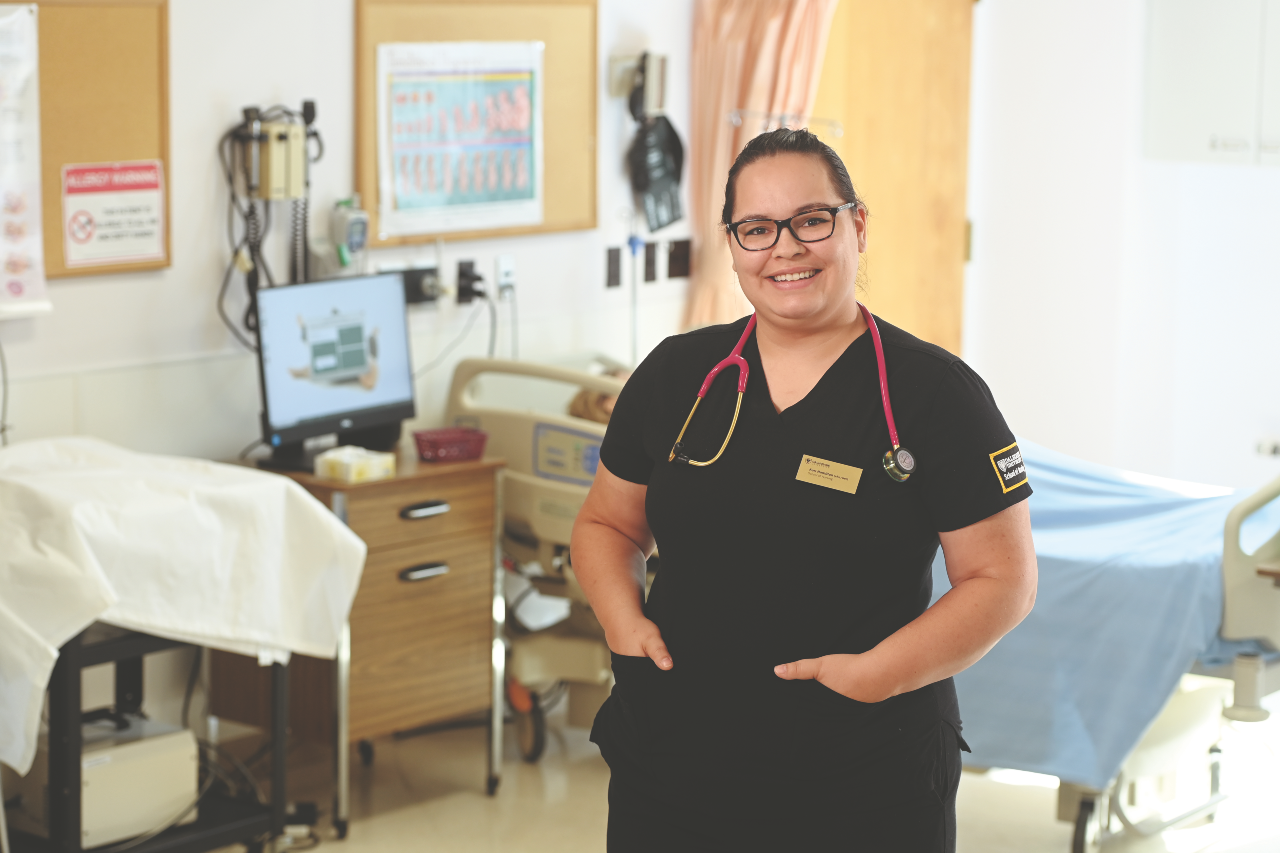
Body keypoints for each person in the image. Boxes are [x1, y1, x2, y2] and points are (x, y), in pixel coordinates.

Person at [570, 128, 1038, 852]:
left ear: (856, 225)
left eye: (810, 220)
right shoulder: (676, 376)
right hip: (674, 758)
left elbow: (1003, 580)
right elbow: (607, 525)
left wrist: (879, 674)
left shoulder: (936, 395)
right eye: (757, 229)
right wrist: (621, 620)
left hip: (863, 768)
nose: (784, 248)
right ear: (732, 245)